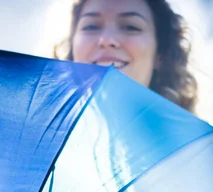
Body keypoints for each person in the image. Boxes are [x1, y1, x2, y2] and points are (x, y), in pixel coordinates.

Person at [54, 0, 198, 112]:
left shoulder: (190, 147)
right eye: (91, 26)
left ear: (160, 54)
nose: (107, 40)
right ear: (72, 48)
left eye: (131, 27)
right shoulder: (37, 133)